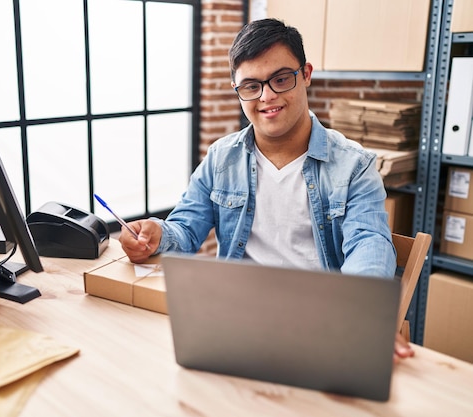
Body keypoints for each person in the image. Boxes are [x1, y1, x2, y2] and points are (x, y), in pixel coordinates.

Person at [118, 18, 413, 361]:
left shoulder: (354, 166)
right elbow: (184, 229)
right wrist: (157, 233)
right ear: (237, 90)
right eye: (251, 86)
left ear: (306, 75)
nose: (267, 96)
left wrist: (362, 308)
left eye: (281, 79)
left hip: (321, 327)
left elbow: (370, 244)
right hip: (235, 322)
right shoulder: (221, 158)